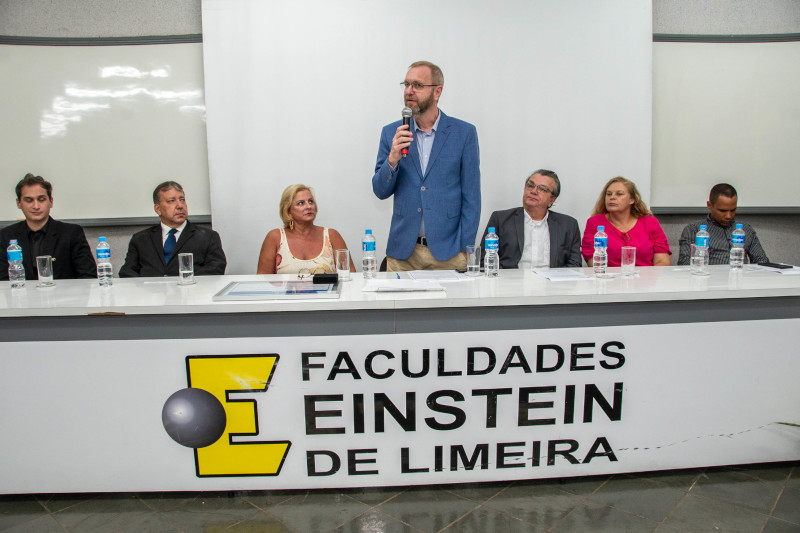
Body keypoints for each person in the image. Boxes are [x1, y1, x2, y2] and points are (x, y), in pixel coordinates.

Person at [372, 60, 480, 272]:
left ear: (437, 91)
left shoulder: (464, 133)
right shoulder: (391, 133)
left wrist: (465, 247)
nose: (409, 91)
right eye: (406, 85)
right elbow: (380, 191)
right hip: (403, 253)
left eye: (417, 85)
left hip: (449, 253)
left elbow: (472, 196)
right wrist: (392, 158)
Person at [119, 181, 226, 277]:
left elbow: (216, 268)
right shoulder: (140, 239)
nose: (180, 205)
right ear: (158, 209)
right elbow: (127, 272)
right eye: (171, 201)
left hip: (191, 293)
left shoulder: (208, 237)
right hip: (152, 296)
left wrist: (184, 282)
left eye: (182, 200)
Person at [0, 173, 96, 280]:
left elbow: (88, 277)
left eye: (41, 199)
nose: (36, 206)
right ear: (19, 203)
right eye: (29, 200)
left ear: (51, 202)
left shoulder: (71, 233)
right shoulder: (6, 236)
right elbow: (2, 281)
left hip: (63, 296)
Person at [480, 169, 581, 269]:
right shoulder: (501, 219)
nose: (533, 191)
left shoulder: (568, 225)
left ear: (552, 200)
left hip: (552, 283)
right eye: (530, 185)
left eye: (542, 189)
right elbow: (484, 259)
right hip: (511, 282)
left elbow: (574, 266)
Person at [257, 184, 355, 275]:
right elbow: (262, 282)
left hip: (327, 294)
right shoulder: (275, 237)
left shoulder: (332, 236)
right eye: (301, 203)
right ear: (288, 212)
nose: (309, 206)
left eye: (311, 201)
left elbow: (351, 277)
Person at [581, 177, 671, 267]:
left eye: (619, 194)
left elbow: (662, 262)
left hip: (646, 278)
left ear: (632, 200)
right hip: (610, 279)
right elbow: (594, 263)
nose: (612, 197)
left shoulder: (650, 223)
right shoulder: (594, 223)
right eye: (608, 194)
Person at [678, 183, 769, 265]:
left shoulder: (745, 229)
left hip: (740, 279)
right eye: (722, 211)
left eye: (733, 210)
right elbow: (684, 264)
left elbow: (762, 261)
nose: (728, 216)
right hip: (708, 280)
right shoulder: (694, 230)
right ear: (709, 205)